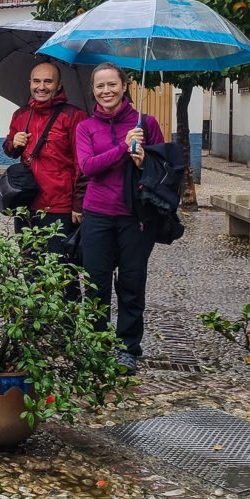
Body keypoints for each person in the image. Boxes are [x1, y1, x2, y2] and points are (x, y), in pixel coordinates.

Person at [75, 62, 164, 376]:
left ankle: (128, 348)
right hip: (97, 214)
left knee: (131, 283)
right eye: (100, 86)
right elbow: (88, 166)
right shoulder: (85, 128)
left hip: (135, 217)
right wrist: (122, 148)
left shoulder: (147, 123)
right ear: (93, 91)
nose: (106, 91)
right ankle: (98, 344)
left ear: (125, 86)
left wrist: (143, 161)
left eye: (112, 84)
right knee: (96, 284)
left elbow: (162, 171)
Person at [2, 62, 87, 251]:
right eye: (37, 81)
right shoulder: (21, 114)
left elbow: (81, 164)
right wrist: (13, 143)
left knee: (61, 269)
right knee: (30, 266)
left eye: (48, 81)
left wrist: (78, 204)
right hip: (26, 203)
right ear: (30, 83)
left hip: (60, 206)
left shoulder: (74, 116)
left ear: (58, 85)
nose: (41, 87)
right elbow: (9, 151)